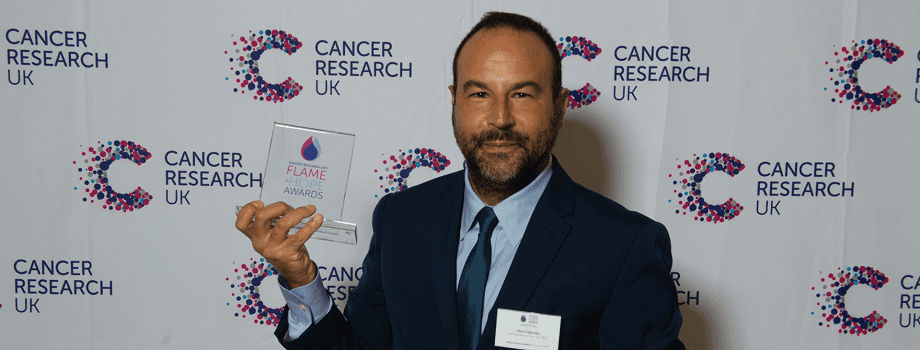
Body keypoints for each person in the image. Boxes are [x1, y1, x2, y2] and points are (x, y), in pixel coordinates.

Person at [236, 11, 684, 349]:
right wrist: (299, 278)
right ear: (455, 101)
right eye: (479, 93)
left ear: (560, 106)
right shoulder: (401, 220)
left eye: (523, 94)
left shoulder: (625, 246)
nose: (500, 118)